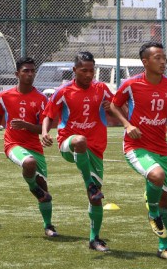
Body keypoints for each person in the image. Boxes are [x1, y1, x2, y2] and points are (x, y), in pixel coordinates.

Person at [108, 42, 167, 262]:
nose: (163, 62)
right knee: (157, 176)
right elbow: (113, 105)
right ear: (145, 62)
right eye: (158, 58)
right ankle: (152, 212)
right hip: (136, 146)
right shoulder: (131, 84)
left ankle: (164, 247)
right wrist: (127, 125)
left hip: (161, 147)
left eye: (164, 57)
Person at [41, 52, 114, 253]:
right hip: (68, 143)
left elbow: (118, 106)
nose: (88, 74)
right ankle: (89, 184)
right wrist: (45, 132)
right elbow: (48, 114)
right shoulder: (63, 91)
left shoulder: (101, 89)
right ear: (74, 70)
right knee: (80, 140)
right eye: (84, 70)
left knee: (96, 198)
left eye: (91, 70)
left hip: (97, 148)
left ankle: (94, 239)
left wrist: (112, 106)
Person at [0, 57, 57, 238]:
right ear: (17, 74)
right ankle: (33, 188)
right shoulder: (5, 96)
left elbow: (43, 128)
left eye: (32, 71)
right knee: (28, 163)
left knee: (44, 189)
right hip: (12, 144)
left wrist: (27, 126)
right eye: (26, 71)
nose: (30, 74)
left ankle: (49, 226)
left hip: (34, 146)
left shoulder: (40, 99)